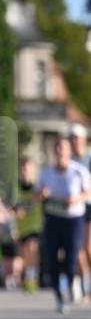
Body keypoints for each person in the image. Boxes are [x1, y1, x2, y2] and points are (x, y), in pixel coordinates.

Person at [36, 136, 91, 314]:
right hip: (53, 218)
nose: (60, 151)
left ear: (69, 151)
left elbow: (87, 193)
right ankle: (59, 297)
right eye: (57, 147)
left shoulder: (79, 171)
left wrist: (75, 199)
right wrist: (42, 195)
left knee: (71, 256)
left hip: (73, 219)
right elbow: (36, 196)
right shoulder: (46, 173)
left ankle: (73, 282)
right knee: (52, 257)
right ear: (54, 151)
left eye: (63, 148)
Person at [69, 124, 91, 301]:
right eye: (72, 138)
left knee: (88, 247)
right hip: (74, 209)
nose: (74, 141)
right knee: (78, 249)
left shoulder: (90, 157)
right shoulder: (68, 161)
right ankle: (86, 284)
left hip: (89, 205)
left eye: (77, 138)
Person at [14, 157, 43, 293]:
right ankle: (26, 278)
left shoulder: (38, 187)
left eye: (29, 169)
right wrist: (17, 211)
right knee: (23, 255)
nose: (26, 172)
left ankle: (32, 278)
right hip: (20, 228)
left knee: (32, 249)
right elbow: (12, 206)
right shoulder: (16, 187)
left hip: (35, 226)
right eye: (23, 169)